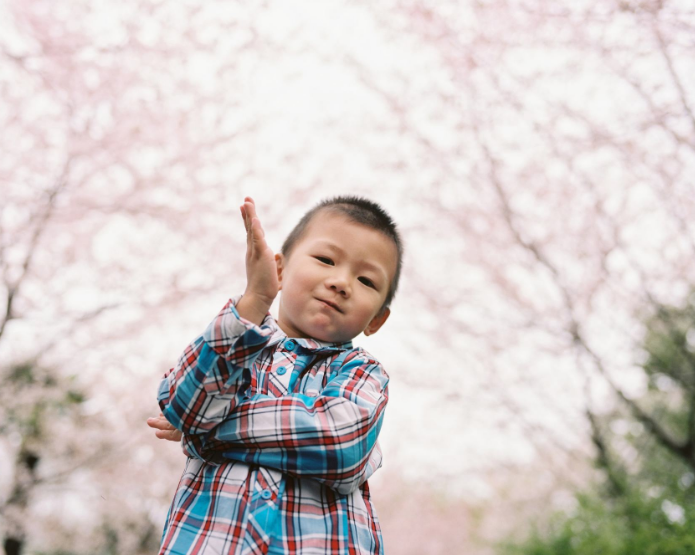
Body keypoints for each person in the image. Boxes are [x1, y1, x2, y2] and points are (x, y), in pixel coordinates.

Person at [147, 195, 404, 554]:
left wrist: (202, 432)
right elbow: (183, 402)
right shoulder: (232, 345)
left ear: (376, 319)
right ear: (280, 270)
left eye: (366, 280)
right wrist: (254, 299)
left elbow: (339, 443)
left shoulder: (362, 372)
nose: (341, 282)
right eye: (325, 259)